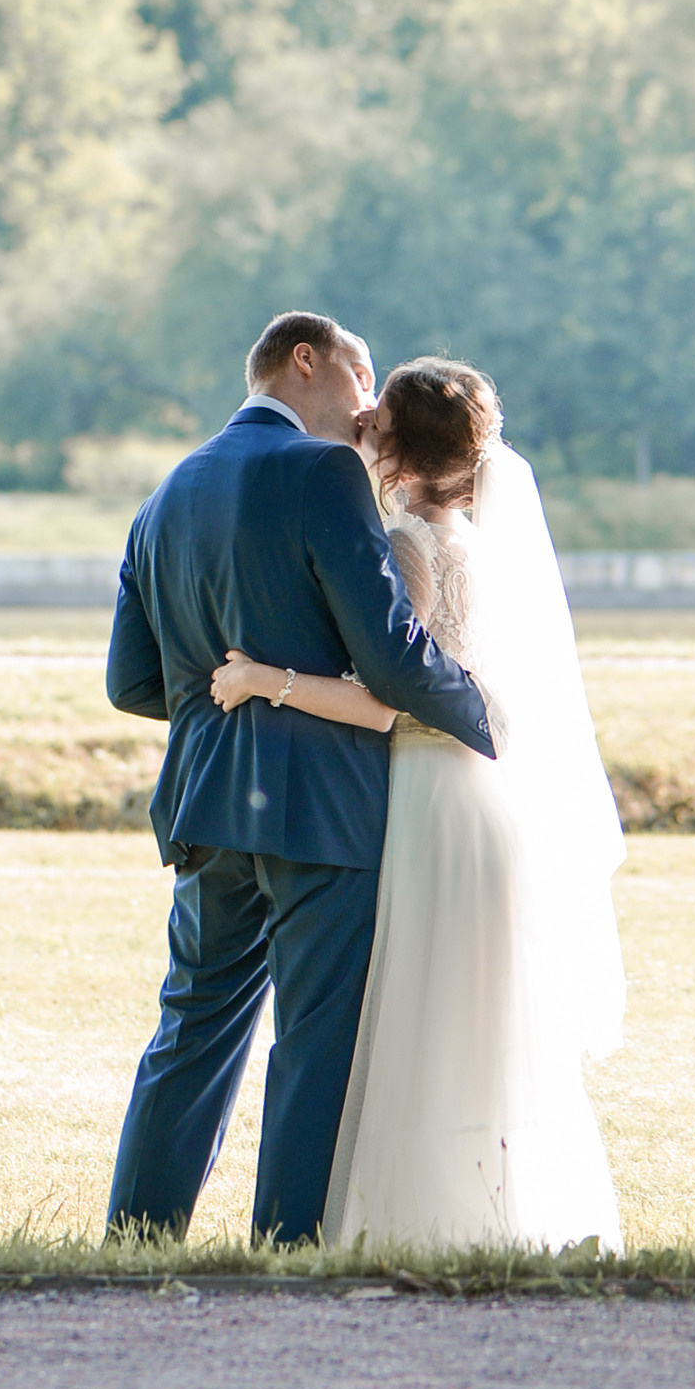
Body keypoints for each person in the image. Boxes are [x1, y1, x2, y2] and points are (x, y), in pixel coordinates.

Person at [211, 357, 625, 1251]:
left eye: (373, 421)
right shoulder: (466, 537)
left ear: (391, 440)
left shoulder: (404, 543)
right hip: (477, 802)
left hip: (428, 799)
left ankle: (411, 1222)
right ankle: (486, 1214)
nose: (357, 426)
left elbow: (392, 696)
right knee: (465, 1031)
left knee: (417, 1023)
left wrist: (262, 680)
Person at [104, 312, 494, 1244]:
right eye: (363, 380)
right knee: (313, 1045)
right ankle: (285, 1251)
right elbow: (396, 662)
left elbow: (131, 683)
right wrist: (485, 717)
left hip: (206, 801)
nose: (369, 409)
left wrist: (231, 703)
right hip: (322, 808)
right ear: (306, 360)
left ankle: (136, 1243)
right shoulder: (321, 474)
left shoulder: (166, 491)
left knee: (191, 1030)